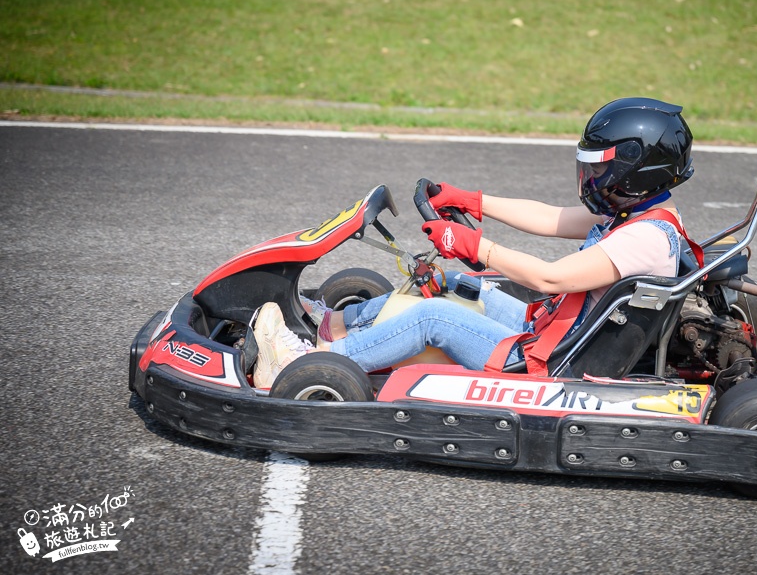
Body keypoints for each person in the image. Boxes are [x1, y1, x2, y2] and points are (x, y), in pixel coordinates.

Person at [251, 97, 697, 389]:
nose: (592, 177)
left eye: (600, 168)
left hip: (553, 360)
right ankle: (334, 324)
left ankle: (305, 362)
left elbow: (549, 278)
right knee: (452, 282)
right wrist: (473, 201)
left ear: (637, 171)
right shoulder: (643, 214)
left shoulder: (644, 239)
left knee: (432, 316)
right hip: (550, 328)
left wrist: (473, 244)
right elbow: (548, 218)